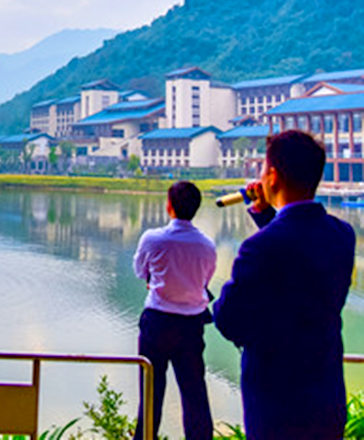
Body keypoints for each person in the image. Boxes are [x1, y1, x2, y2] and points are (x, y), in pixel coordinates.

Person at [213, 129, 356, 440]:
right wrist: (265, 215)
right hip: (326, 395)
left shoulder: (259, 248)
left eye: (264, 169)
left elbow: (228, 321)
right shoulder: (343, 235)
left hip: (276, 404)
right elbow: (300, 256)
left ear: (273, 176)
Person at [133, 180, 216, 440]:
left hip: (157, 323)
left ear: (169, 206)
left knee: (150, 392)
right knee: (194, 394)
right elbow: (204, 281)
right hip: (191, 326)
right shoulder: (207, 245)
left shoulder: (153, 238)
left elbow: (140, 271)